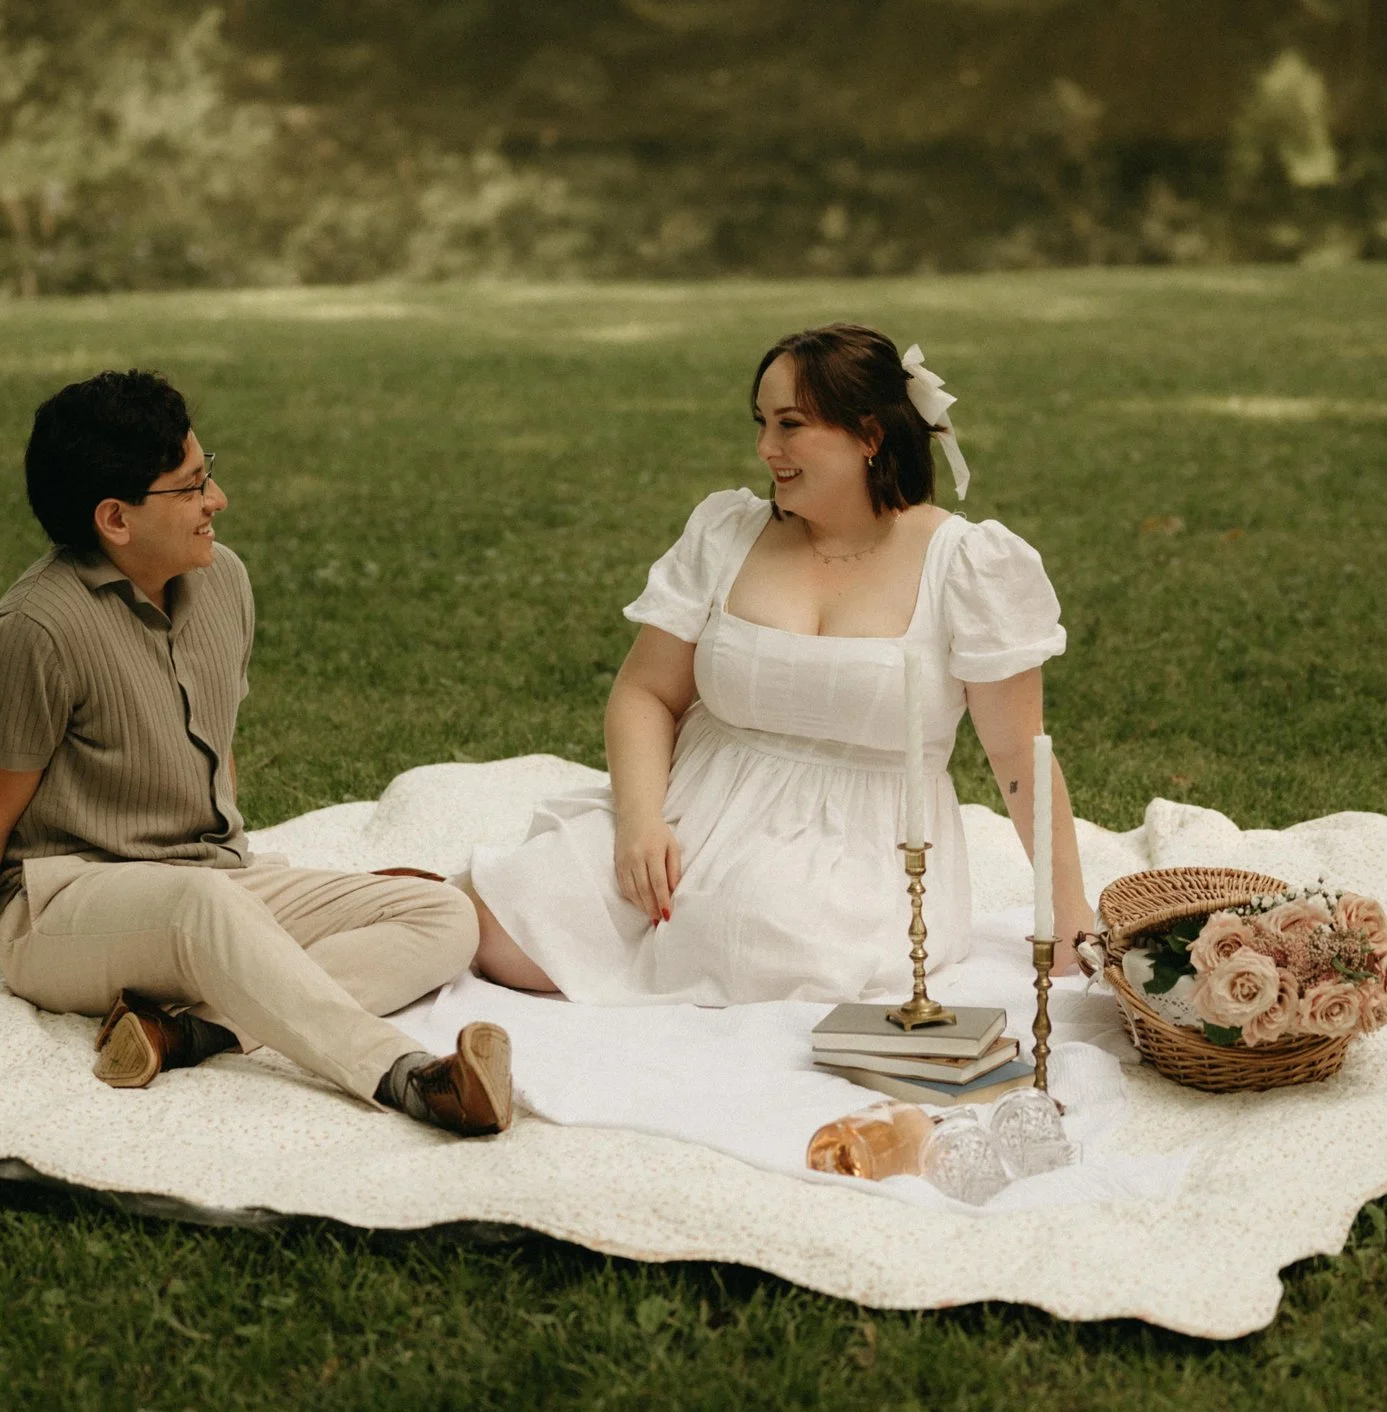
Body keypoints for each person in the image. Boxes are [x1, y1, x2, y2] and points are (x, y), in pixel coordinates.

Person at [0, 369, 512, 1136]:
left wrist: (274, 890)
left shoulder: (224, 581)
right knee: (205, 905)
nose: (217, 499)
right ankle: (410, 1077)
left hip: (209, 879)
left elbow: (216, 749)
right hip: (64, 910)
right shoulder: (33, 634)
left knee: (443, 915)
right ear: (115, 518)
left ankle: (187, 1032)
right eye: (191, 487)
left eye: (207, 473)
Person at [468, 323, 1096, 1007]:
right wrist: (640, 823)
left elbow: (1018, 756)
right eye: (762, 422)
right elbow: (645, 691)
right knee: (494, 922)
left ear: (869, 435)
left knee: (755, 942)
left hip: (856, 848)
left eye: (790, 425)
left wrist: (1068, 915)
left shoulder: (968, 565)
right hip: (689, 808)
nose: (766, 448)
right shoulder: (728, 531)